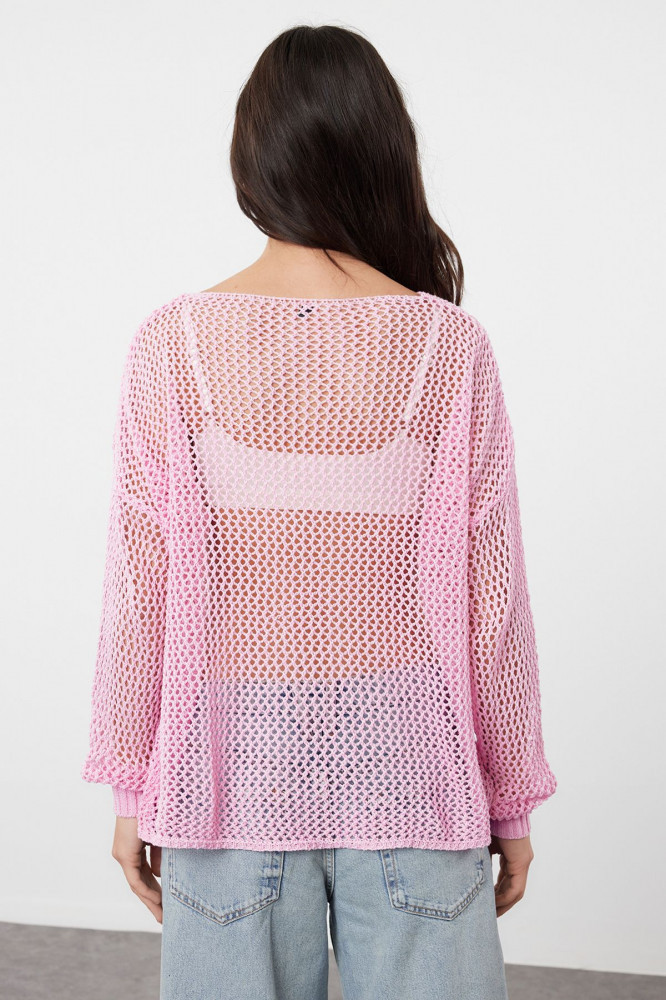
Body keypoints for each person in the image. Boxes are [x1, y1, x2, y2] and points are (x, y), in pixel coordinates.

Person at [81, 23, 557, 1000]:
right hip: (413, 774)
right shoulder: (448, 347)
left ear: (253, 159)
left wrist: (136, 789)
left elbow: (139, 595)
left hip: (225, 778)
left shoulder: (172, 345)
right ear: (385, 152)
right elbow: (494, 606)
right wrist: (509, 800)